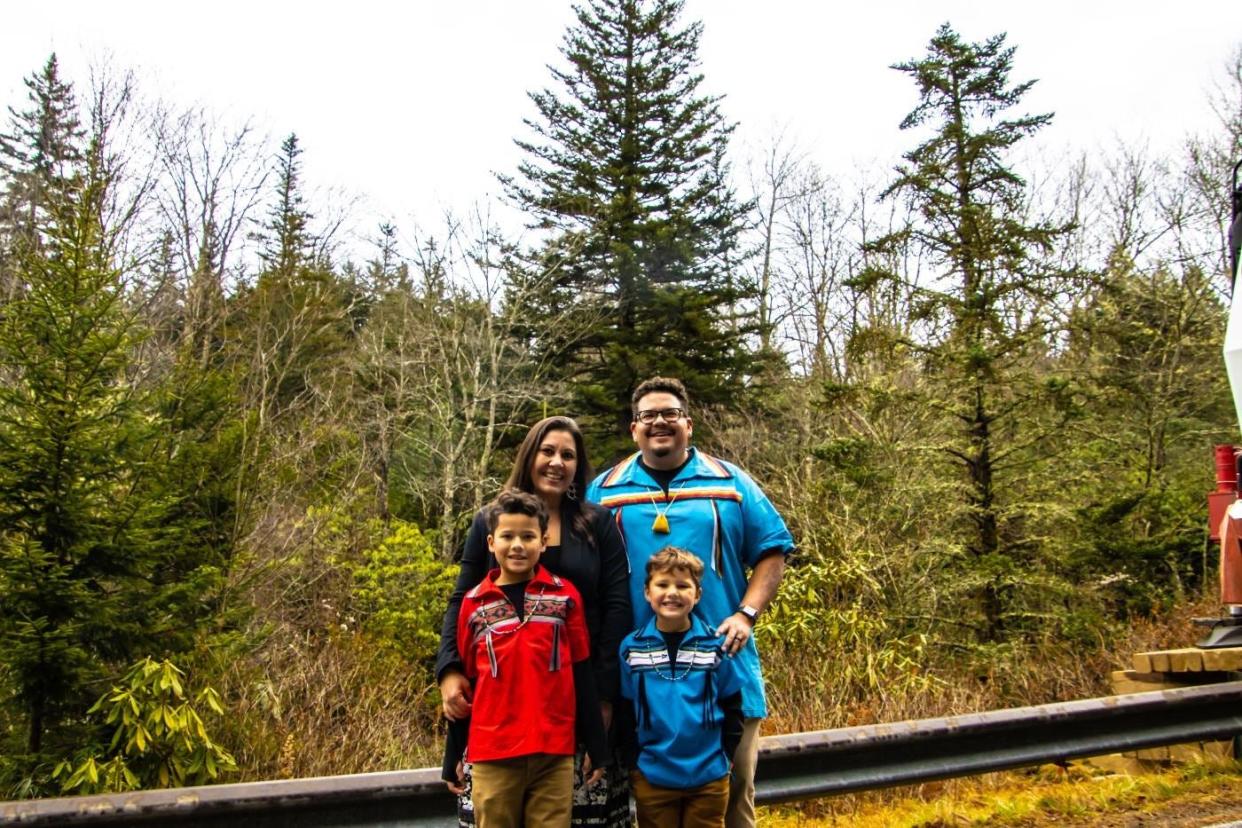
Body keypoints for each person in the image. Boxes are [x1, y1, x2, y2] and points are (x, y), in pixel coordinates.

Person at [586, 377, 794, 828]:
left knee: (732, 804)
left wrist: (747, 613)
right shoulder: (604, 492)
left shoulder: (732, 483)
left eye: (670, 413)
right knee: (645, 810)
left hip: (724, 670)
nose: (660, 422)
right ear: (633, 429)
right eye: (648, 416)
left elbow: (773, 549)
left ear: (688, 424)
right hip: (637, 681)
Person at [437, 416, 632, 827]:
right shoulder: (493, 520)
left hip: (578, 694)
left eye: (568, 455)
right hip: (504, 710)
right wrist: (450, 670)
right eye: (547, 451)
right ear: (529, 456)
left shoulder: (598, 525)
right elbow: (463, 601)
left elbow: (617, 609)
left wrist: (603, 697)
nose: (556, 462)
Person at [442, 490, 608, 828]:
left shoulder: (564, 598)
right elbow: (467, 687)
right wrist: (452, 756)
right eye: (507, 536)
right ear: (490, 542)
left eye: (528, 536)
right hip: (493, 754)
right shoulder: (473, 605)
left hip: (554, 752)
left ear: (544, 542)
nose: (518, 545)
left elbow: (581, 674)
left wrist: (597, 745)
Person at [620, 547, 744, 828]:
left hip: (709, 776)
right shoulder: (631, 648)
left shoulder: (716, 646)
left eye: (683, 585)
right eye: (662, 584)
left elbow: (732, 705)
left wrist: (727, 755)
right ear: (647, 593)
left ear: (697, 594)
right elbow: (626, 710)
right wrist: (634, 763)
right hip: (653, 774)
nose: (672, 593)